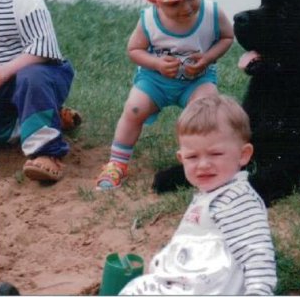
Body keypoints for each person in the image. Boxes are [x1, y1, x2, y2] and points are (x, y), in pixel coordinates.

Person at [95, 0, 234, 190]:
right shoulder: (148, 20)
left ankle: (199, 162)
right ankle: (117, 162)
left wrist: (208, 58)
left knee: (205, 111)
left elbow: (226, 37)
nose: (187, 7)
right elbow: (134, 50)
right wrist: (157, 64)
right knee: (135, 109)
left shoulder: (211, 12)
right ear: (155, 0)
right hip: (155, 80)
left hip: (197, 79)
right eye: (174, 3)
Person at [119, 95, 277, 295]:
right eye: (192, 157)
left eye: (216, 154)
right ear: (181, 159)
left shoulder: (237, 200)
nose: (203, 165)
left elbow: (257, 255)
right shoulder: (215, 192)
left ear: (243, 154)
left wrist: (258, 292)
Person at [0, 0, 76, 182]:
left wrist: (6, 70)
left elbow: (44, 49)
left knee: (33, 76)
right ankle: (46, 117)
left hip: (34, 76)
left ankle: (47, 153)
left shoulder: (23, 3)